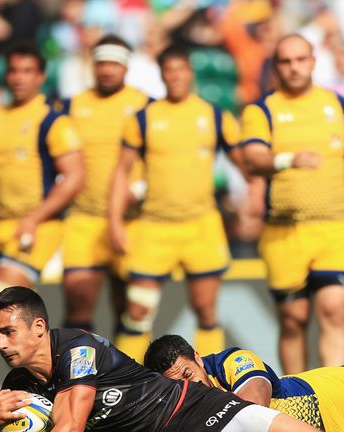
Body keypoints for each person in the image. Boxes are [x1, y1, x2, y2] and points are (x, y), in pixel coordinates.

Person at [0, 287, 321, 432]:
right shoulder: (18, 385)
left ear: (39, 327)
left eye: (9, 332)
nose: (2, 344)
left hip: (194, 408)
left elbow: (71, 425)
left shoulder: (77, 350)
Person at [0, 42, 84, 398]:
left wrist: (34, 217)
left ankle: (42, 381)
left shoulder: (52, 120)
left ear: (41, 76)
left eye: (27, 71)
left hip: (38, 228)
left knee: (7, 304)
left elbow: (75, 177)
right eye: (13, 70)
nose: (18, 78)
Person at [239, 34, 344, 374]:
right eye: (286, 61)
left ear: (313, 61)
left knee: (336, 310)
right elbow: (252, 158)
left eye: (300, 59)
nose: (294, 67)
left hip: (334, 224)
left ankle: (335, 401)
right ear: (277, 66)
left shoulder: (340, 106)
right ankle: (300, 399)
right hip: (284, 229)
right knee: (294, 320)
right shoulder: (261, 110)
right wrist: (287, 160)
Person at [110, 44, 242, 362]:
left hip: (202, 225)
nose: (175, 76)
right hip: (155, 226)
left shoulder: (212, 115)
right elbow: (121, 172)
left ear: (190, 73)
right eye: (169, 70)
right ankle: (127, 384)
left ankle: (212, 384)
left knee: (206, 311)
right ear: (162, 75)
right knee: (138, 310)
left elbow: (245, 163)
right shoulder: (144, 118)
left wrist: (254, 197)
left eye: (180, 69)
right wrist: (114, 222)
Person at [58, 35, 151, 334]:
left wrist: (141, 188)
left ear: (126, 67)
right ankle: (79, 378)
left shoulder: (145, 106)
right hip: (84, 218)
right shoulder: (72, 106)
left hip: (132, 219)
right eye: (102, 63)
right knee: (77, 301)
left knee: (131, 308)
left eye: (115, 63)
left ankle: (126, 378)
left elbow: (163, 157)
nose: (107, 70)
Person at [144, 335, 344, 432]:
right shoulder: (167, 408)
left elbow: (254, 405)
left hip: (328, 395)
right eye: (176, 384)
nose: (187, 386)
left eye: (188, 375)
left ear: (198, 359)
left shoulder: (231, 361)